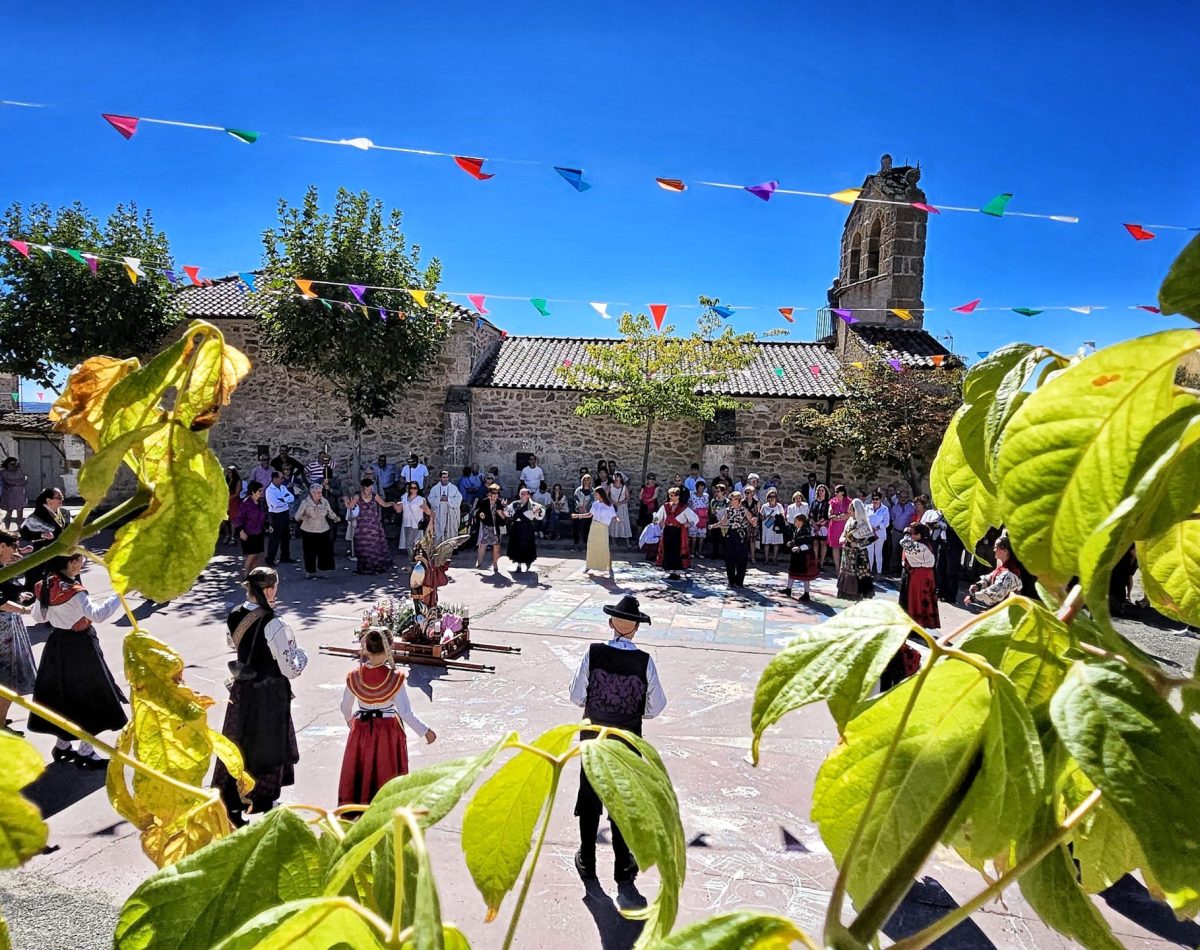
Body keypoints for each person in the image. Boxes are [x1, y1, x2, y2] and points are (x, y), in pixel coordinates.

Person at [569, 594, 667, 904]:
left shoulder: (593, 653)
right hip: (627, 740)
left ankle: (587, 859)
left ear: (611, 623)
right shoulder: (644, 662)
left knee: (589, 797)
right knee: (623, 802)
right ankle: (623, 866)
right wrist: (631, 712)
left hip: (594, 738)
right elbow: (655, 707)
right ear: (636, 629)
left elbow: (575, 695)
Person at [213, 568, 307, 825]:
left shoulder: (234, 615)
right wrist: (303, 656)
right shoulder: (274, 624)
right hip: (269, 694)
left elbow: (233, 644)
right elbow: (291, 668)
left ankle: (232, 799)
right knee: (267, 747)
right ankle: (261, 799)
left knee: (238, 741)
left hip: (243, 690)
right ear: (268, 589)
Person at [26, 552, 125, 767]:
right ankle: (86, 752)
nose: (83, 563)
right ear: (71, 563)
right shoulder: (75, 592)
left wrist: (60, 617)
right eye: (80, 560)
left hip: (57, 645)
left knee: (64, 697)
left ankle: (62, 745)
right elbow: (98, 615)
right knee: (88, 697)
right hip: (81, 647)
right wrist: (119, 595)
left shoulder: (46, 584)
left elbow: (38, 617)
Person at [337, 628, 436, 808]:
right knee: (385, 768)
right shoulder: (395, 678)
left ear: (365, 648)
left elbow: (345, 706)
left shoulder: (354, 677)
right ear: (390, 647)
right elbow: (405, 712)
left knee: (362, 767)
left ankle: (359, 806)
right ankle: (386, 805)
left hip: (361, 728)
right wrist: (425, 731)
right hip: (388, 729)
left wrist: (349, 719)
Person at [0, 530, 36, 734]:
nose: (16, 551)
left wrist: (18, 596)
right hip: (3, 632)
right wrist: (23, 609)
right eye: (12, 547)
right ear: (2, 546)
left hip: (8, 628)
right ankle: (1, 726)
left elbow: (6, 592)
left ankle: (1, 719)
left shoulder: (3, 565)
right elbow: (1, 602)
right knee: (8, 680)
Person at [345, 478, 393, 575]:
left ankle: (376, 567)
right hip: (362, 525)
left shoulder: (374, 496)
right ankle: (364, 568)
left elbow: (383, 504)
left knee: (375, 546)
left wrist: (392, 503)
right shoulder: (357, 496)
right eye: (368, 489)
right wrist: (346, 500)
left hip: (373, 524)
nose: (369, 491)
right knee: (363, 546)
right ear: (363, 488)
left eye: (370, 489)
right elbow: (350, 506)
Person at [964, 535, 1025, 609]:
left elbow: (994, 593)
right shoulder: (1003, 567)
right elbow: (990, 577)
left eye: (996, 547)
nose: (994, 550)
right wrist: (978, 585)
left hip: (1006, 612)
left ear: (1005, 551)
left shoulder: (1010, 573)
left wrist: (973, 597)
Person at [899, 522, 940, 628]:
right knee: (911, 599)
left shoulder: (921, 546)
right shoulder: (919, 543)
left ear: (919, 535)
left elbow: (904, 543)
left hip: (919, 576)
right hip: (915, 573)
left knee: (916, 601)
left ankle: (916, 625)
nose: (910, 536)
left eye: (912, 534)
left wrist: (907, 533)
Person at [294, 482, 339, 579]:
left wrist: (335, 518)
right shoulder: (305, 503)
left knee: (325, 551)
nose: (320, 494)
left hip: (323, 529)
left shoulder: (325, 502)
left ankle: (324, 570)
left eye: (320, 492)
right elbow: (297, 516)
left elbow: (329, 512)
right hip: (309, 530)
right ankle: (310, 571)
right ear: (312, 493)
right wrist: (305, 517)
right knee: (309, 552)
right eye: (318, 492)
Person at [836, 499, 876, 602]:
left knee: (859, 576)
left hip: (859, 555)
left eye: (851, 510)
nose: (849, 512)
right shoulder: (850, 522)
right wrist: (842, 539)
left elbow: (871, 539)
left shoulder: (863, 524)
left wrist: (858, 544)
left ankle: (860, 598)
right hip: (848, 554)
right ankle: (852, 596)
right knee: (849, 575)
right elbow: (844, 534)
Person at [655, 487, 698, 580]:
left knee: (677, 551)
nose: (673, 497)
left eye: (675, 496)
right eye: (671, 495)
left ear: (678, 496)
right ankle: (669, 570)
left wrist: (688, 524)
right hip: (667, 531)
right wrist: (656, 521)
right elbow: (658, 516)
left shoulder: (683, 508)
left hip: (678, 532)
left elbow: (694, 518)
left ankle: (677, 571)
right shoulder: (665, 506)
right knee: (668, 550)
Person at [716, 490, 757, 588]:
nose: (730, 501)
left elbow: (752, 522)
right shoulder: (728, 510)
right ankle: (731, 580)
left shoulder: (744, 510)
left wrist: (754, 521)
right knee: (729, 558)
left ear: (737, 500)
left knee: (741, 558)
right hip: (730, 534)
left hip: (741, 535)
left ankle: (739, 581)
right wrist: (714, 526)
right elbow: (723, 521)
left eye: (732, 499)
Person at [234, 481, 268, 577]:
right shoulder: (246, 503)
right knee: (252, 554)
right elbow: (238, 518)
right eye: (260, 491)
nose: (262, 493)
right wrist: (240, 530)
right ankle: (246, 574)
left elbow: (262, 516)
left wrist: (266, 525)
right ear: (253, 492)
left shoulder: (260, 502)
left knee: (257, 555)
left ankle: (254, 575)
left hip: (259, 532)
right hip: (248, 533)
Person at [505, 487, 544, 572]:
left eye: (523, 494)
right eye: (520, 494)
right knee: (516, 546)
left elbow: (540, 515)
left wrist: (538, 512)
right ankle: (518, 565)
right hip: (516, 527)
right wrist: (505, 507)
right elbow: (508, 513)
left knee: (527, 546)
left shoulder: (533, 505)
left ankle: (528, 562)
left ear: (528, 495)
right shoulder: (515, 504)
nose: (521, 496)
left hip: (527, 528)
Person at [21, 488, 70, 553]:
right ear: (49, 500)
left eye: (62, 497)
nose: (62, 499)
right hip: (43, 553)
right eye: (59, 497)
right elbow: (25, 535)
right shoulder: (36, 517)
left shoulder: (64, 513)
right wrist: (41, 535)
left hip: (61, 551)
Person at [583, 487, 619, 575]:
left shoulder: (609, 505)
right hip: (594, 526)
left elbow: (613, 515)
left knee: (604, 546)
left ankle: (608, 565)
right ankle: (589, 565)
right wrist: (579, 516)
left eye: (596, 494)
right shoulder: (595, 504)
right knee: (591, 545)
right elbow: (590, 514)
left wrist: (616, 519)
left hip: (603, 527)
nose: (595, 495)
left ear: (601, 494)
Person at [264, 471, 295, 566]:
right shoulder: (269, 490)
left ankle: (285, 557)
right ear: (275, 479)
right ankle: (270, 559)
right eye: (281, 478)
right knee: (274, 538)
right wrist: (285, 500)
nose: (283, 480)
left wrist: (282, 499)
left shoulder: (283, 487)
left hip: (284, 514)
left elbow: (291, 498)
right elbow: (275, 504)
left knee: (286, 536)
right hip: (275, 515)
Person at [474, 484, 508, 571]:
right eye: (494, 493)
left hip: (496, 527)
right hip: (486, 526)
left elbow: (504, 517)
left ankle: (495, 563)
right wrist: (481, 515)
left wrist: (503, 510)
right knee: (483, 544)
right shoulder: (484, 502)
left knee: (496, 546)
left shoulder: (500, 503)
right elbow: (480, 512)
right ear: (489, 493)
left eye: (497, 493)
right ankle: (479, 561)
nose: (495, 495)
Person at [785, 514, 819, 601]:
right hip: (796, 556)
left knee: (805, 576)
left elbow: (808, 544)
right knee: (792, 572)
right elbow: (797, 540)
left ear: (801, 522)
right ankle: (788, 589)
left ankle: (806, 593)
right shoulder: (796, 529)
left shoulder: (806, 531)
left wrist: (799, 548)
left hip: (804, 557)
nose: (794, 523)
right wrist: (792, 543)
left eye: (796, 521)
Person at [396, 482, 432, 558]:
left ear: (417, 489)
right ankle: (416, 560)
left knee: (409, 544)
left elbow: (428, 512)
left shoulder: (420, 499)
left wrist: (425, 506)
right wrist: (394, 505)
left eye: (415, 488)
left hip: (416, 524)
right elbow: (399, 510)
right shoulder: (404, 498)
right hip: (407, 523)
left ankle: (413, 563)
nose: (413, 490)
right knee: (410, 544)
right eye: (411, 488)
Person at [428, 471, 463, 544]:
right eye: (444, 477)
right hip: (439, 513)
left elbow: (459, 498)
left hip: (450, 513)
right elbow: (430, 499)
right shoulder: (435, 489)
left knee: (451, 530)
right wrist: (439, 499)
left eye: (447, 477)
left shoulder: (453, 488)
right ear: (440, 478)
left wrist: (449, 499)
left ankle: (451, 547)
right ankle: (439, 547)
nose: (445, 479)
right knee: (439, 529)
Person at [887, 490, 915, 574]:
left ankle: (902, 570)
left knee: (904, 551)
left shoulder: (912, 507)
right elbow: (892, 518)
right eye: (901, 497)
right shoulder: (895, 507)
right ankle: (893, 569)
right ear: (898, 497)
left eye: (905, 497)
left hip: (906, 533)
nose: (903, 499)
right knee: (894, 550)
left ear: (908, 498)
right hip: (896, 532)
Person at [827, 485, 851, 575]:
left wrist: (838, 517)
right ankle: (837, 568)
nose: (835, 493)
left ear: (842, 492)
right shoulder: (832, 501)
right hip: (834, 527)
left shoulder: (849, 501)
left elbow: (849, 515)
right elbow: (830, 515)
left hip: (845, 527)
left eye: (837, 491)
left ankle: (844, 568)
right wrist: (840, 517)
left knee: (845, 547)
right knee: (835, 547)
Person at [759, 488, 786, 566]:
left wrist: (777, 517)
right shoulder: (764, 506)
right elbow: (761, 518)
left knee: (776, 543)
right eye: (770, 496)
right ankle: (766, 558)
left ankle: (775, 559)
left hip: (776, 526)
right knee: (766, 543)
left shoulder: (779, 506)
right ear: (768, 497)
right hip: (767, 526)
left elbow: (783, 516)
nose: (772, 498)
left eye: (774, 496)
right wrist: (767, 516)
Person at [1, 458, 28, 529]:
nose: (14, 466)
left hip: (20, 495)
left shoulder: (19, 471)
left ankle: (19, 529)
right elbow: (7, 482)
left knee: (20, 513)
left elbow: (24, 480)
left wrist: (16, 483)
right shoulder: (3, 472)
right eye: (12, 464)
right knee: (9, 513)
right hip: (9, 495)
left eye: (15, 464)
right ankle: (7, 529)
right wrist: (16, 483)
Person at [867, 492, 890, 575]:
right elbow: (865, 519)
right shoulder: (867, 508)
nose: (874, 501)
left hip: (879, 534)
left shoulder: (885, 509)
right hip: (869, 533)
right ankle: (869, 571)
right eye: (873, 499)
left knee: (878, 553)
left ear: (880, 499)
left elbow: (886, 523)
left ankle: (879, 571)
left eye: (876, 499)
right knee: (870, 552)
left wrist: (877, 528)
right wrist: (870, 528)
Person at [608, 472, 632, 550]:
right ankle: (613, 541)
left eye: (617, 477)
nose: (616, 478)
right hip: (613, 506)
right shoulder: (610, 486)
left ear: (621, 478)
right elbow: (605, 495)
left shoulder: (624, 487)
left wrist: (620, 503)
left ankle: (627, 541)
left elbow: (627, 498)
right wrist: (613, 502)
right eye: (615, 476)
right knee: (613, 523)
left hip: (622, 507)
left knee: (624, 522)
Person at [809, 484, 830, 571]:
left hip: (823, 525)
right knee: (815, 543)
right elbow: (811, 514)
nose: (820, 492)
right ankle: (815, 561)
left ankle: (821, 563)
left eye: (822, 490)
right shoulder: (814, 502)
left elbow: (826, 515)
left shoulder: (828, 503)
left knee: (823, 543)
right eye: (819, 490)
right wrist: (814, 524)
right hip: (814, 525)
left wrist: (819, 524)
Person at [572, 474, 595, 550]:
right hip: (578, 511)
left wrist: (586, 508)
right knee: (576, 528)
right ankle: (576, 544)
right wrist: (579, 507)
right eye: (584, 480)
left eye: (588, 480)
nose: (586, 482)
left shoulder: (592, 491)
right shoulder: (578, 490)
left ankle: (586, 544)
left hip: (587, 512)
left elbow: (593, 501)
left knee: (586, 528)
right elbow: (575, 499)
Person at [706, 483, 729, 559]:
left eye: (718, 491)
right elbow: (712, 511)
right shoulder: (713, 501)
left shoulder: (727, 501)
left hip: (724, 520)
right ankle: (715, 553)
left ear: (723, 492)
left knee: (725, 538)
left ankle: (725, 554)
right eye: (715, 491)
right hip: (715, 520)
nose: (716, 493)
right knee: (715, 538)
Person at [688, 479, 709, 559]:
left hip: (703, 518)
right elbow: (689, 505)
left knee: (701, 536)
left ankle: (699, 552)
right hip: (694, 517)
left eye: (703, 488)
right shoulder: (692, 496)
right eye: (700, 488)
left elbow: (707, 506)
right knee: (693, 536)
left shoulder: (706, 496)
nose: (701, 490)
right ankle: (692, 551)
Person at [223, 465, 244, 545]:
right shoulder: (226, 480)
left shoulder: (238, 481)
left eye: (230, 472)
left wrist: (228, 498)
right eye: (227, 472)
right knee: (225, 519)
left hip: (234, 500)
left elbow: (236, 493)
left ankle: (232, 537)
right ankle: (227, 535)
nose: (228, 474)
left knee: (233, 519)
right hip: (226, 500)